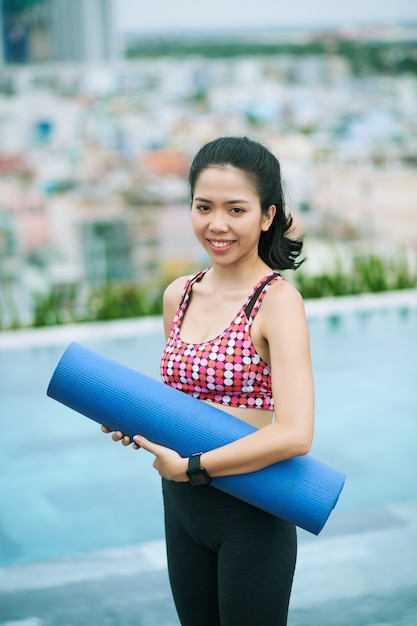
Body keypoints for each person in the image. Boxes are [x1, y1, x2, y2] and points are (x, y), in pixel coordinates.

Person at [102, 136, 314, 626]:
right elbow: (181, 406)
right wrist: (137, 424)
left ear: (267, 216)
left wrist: (194, 466)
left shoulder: (277, 303)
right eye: (204, 207)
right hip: (181, 505)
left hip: (251, 513)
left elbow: (295, 433)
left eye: (236, 209)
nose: (217, 224)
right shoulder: (179, 294)